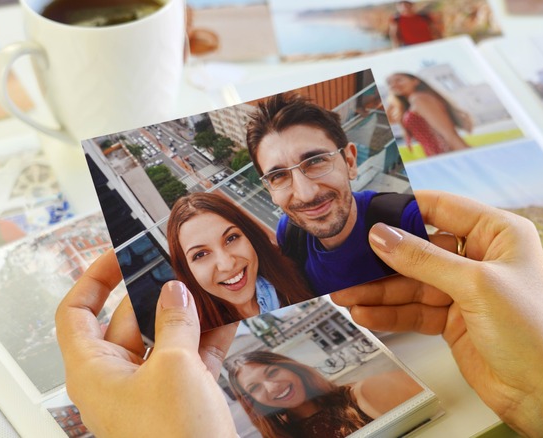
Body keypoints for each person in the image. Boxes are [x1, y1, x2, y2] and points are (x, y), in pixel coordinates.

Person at [56, 0, 543, 436]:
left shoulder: (386, 220)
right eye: (278, 176)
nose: (301, 192)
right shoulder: (292, 244)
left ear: (352, 161)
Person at [245, 93, 429, 296]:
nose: (306, 194)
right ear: (270, 190)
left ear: (349, 162)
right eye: (278, 175)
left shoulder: (410, 222)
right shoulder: (288, 233)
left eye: (315, 161)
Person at [167, 192, 314, 330]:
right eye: (200, 255)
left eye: (231, 238)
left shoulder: (299, 274)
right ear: (187, 271)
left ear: (250, 237)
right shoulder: (197, 341)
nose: (227, 264)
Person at [226, 351, 422, 438]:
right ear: (254, 402)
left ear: (292, 369)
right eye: (255, 388)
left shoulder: (362, 395)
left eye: (273, 372)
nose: (271, 387)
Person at [386, 72, 472, 157]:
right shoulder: (410, 105)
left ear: (415, 81)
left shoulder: (419, 99)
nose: (393, 84)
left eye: (399, 80)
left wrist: (469, 156)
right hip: (437, 156)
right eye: (389, 83)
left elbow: (449, 133)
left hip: (447, 154)